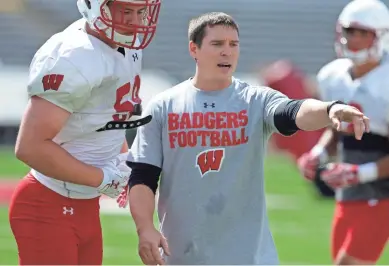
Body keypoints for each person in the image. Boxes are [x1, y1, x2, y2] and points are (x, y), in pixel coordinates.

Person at [122, 12, 369, 265]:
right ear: (193, 49)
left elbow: (293, 112)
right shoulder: (163, 106)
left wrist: (329, 109)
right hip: (182, 256)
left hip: (249, 258)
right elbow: (143, 175)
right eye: (217, 44)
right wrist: (144, 229)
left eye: (233, 44)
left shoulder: (255, 100)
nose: (227, 52)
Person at [9, 0, 161, 265]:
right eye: (125, 11)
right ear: (95, 7)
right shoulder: (73, 55)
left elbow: (104, 120)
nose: (136, 21)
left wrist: (121, 163)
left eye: (141, 11)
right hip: (48, 203)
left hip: (85, 204)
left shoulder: (127, 48)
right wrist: (102, 178)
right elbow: (30, 146)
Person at [297, 0, 389, 264]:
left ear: (381, 37)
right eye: (351, 32)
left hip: (382, 194)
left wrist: (358, 172)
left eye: (363, 33)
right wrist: (318, 153)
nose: (355, 39)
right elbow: (337, 132)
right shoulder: (333, 76)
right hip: (349, 195)